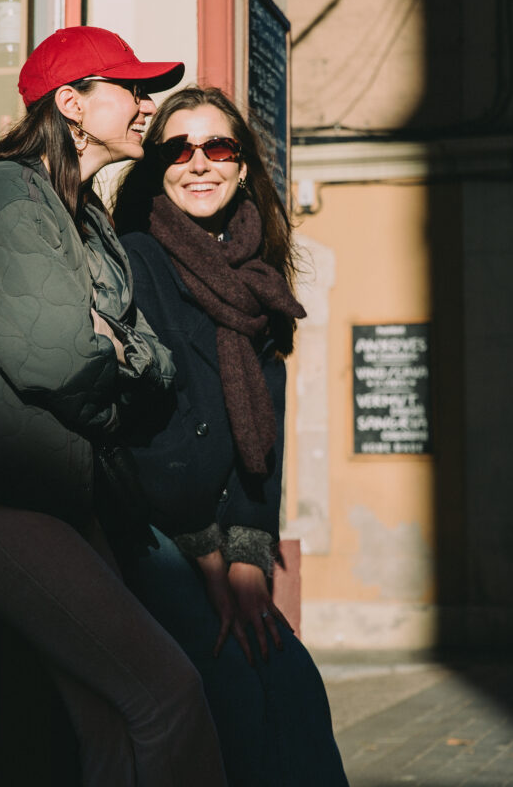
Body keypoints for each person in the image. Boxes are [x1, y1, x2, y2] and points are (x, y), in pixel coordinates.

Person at [0, 28, 228, 787]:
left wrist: (116, 350)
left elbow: (151, 366)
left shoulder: (88, 220)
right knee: (168, 694)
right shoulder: (6, 193)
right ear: (71, 104)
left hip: (58, 488)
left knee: (111, 720)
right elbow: (60, 359)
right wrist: (107, 353)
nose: (146, 105)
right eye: (129, 89)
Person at [112, 85, 349, 786]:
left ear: (242, 165)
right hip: (153, 525)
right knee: (236, 696)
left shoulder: (258, 280)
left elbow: (263, 438)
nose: (199, 164)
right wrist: (204, 549)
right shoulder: (135, 260)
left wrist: (247, 551)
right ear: (156, 166)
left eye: (217, 148)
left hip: (224, 529)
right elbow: (137, 425)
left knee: (295, 688)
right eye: (177, 150)